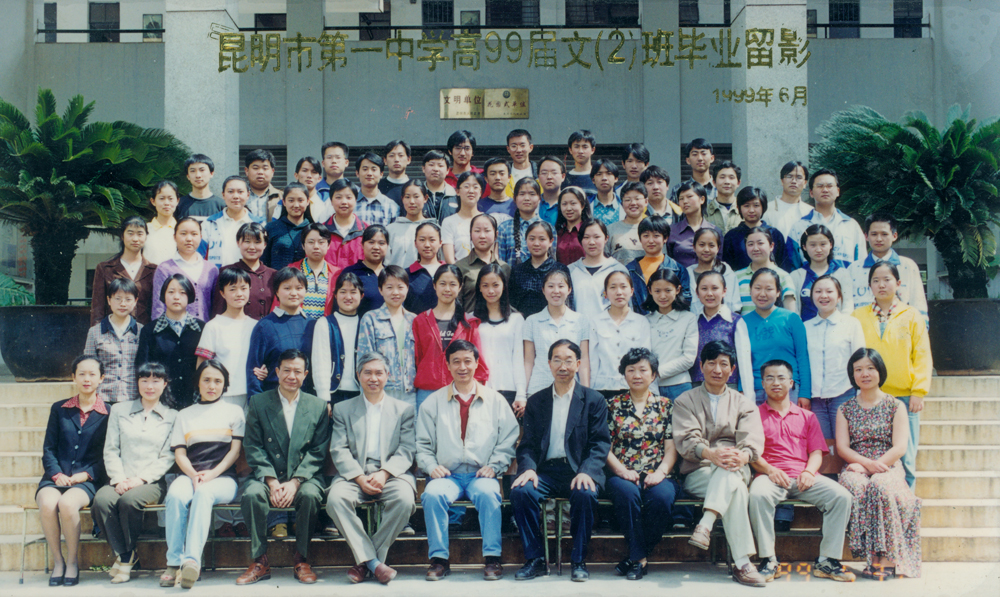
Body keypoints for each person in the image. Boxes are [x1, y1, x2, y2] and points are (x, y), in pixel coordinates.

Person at [417, 340, 520, 581]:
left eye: (467, 361)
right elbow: (421, 444)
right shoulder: (433, 402)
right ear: (447, 365)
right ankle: (439, 560)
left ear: (476, 363)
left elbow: (509, 438)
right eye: (456, 362)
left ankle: (492, 558)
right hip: (448, 475)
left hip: (480, 473)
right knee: (432, 495)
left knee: (488, 494)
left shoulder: (495, 400)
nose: (462, 367)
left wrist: (494, 465)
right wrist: (431, 466)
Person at [510, 339, 610, 582]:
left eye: (568, 360)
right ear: (549, 363)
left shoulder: (594, 400)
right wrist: (528, 469)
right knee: (521, 491)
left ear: (578, 364)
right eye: (557, 360)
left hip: (579, 469)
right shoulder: (537, 401)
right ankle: (535, 559)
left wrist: (587, 471)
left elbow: (600, 443)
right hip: (546, 470)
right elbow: (528, 444)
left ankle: (578, 561)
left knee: (585, 493)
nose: (562, 366)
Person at [748, 360, 856, 583]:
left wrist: (808, 472)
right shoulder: (754, 415)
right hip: (769, 476)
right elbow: (752, 454)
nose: (775, 383)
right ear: (762, 383)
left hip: (804, 477)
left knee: (841, 497)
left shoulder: (807, 416)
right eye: (769, 378)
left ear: (791, 383)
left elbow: (816, 452)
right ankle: (768, 560)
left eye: (781, 378)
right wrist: (770, 470)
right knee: (757, 495)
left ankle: (827, 561)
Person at [672, 340, 766, 587]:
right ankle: (743, 564)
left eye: (724, 364)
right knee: (736, 490)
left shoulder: (743, 403)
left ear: (732, 369)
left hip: (736, 466)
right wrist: (710, 454)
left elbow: (752, 441)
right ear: (701, 366)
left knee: (730, 474)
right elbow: (686, 440)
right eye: (711, 363)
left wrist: (743, 456)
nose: (717, 369)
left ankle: (705, 523)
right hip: (699, 471)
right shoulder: (685, 400)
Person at [237, 349, 330, 585]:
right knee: (252, 494)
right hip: (267, 475)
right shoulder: (258, 403)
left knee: (310, 495)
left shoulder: (318, 406)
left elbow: (318, 451)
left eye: (297, 371)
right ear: (277, 372)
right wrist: (271, 481)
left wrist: (295, 482)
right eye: (286, 370)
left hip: (304, 476)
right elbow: (253, 446)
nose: (291, 376)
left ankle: (302, 559)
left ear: (305, 375)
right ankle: (260, 560)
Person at [326, 352, 417, 585]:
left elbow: (407, 449)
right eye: (367, 373)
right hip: (354, 474)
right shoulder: (343, 409)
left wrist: (385, 473)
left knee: (405, 499)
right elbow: (339, 449)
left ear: (388, 375)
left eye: (379, 373)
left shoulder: (403, 410)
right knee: (336, 499)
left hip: (391, 474)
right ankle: (375, 564)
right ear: (358, 375)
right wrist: (358, 477)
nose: (373, 378)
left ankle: (366, 561)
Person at [837, 348, 922, 579]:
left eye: (870, 368)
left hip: (888, 465)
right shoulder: (845, 409)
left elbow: (899, 447)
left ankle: (886, 557)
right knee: (858, 486)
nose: (864, 374)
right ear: (852, 374)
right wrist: (865, 465)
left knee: (880, 486)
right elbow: (843, 448)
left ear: (880, 371)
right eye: (858, 369)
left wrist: (872, 467)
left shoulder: (896, 406)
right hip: (855, 466)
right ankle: (871, 556)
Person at [161, 360, 245, 589]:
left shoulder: (234, 412)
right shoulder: (184, 415)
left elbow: (235, 452)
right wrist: (194, 475)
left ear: (225, 384)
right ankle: (173, 563)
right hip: (190, 475)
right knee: (175, 495)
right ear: (197, 382)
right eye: (206, 380)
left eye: (218, 381)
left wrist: (210, 475)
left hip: (223, 478)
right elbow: (180, 454)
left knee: (203, 494)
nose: (212, 386)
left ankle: (191, 562)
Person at [93, 362, 177, 584]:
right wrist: (119, 479)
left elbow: (168, 457)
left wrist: (140, 479)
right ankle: (127, 554)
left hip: (151, 482)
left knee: (130, 501)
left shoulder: (173, 416)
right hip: (120, 478)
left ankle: (124, 559)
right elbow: (111, 449)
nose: (149, 386)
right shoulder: (119, 410)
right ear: (137, 382)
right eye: (144, 380)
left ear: (165, 384)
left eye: (156, 381)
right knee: (101, 500)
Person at [851, 262, 932, 488]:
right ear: (869, 285)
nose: (881, 285)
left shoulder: (912, 315)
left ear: (898, 283)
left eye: (887, 279)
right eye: (875, 280)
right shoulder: (858, 316)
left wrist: (918, 391)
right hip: (870, 397)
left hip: (904, 397)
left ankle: (907, 506)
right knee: (872, 456)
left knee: (906, 458)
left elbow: (922, 354)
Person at [605, 348, 682, 580]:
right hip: (622, 473)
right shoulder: (612, 405)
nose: (637, 375)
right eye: (631, 370)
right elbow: (604, 447)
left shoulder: (666, 406)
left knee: (662, 498)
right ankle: (640, 559)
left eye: (643, 370)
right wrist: (622, 471)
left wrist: (660, 472)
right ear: (624, 374)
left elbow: (671, 447)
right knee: (627, 494)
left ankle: (634, 557)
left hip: (658, 473)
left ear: (654, 375)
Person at [36, 356, 111, 587]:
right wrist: (56, 474)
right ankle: (58, 562)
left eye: (92, 374)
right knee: (48, 503)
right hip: (56, 477)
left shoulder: (109, 412)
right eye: (81, 374)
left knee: (68, 504)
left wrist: (86, 474)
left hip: (87, 479)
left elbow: (108, 454)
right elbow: (49, 448)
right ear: (73, 377)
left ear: (101, 378)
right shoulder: (59, 409)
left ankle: (71, 562)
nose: (87, 379)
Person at [413, 265, 488, 410]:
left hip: (460, 390)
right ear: (434, 285)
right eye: (442, 283)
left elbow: (478, 361)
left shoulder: (468, 322)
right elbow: (417, 358)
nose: (447, 289)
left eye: (452, 284)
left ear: (460, 287)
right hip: (427, 391)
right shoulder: (421, 321)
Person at [805, 275, 866, 444]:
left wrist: (860, 393)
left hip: (844, 394)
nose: (823, 296)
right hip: (815, 399)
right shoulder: (805, 327)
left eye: (829, 291)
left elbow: (860, 361)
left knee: (846, 444)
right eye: (818, 291)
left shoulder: (851, 324)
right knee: (823, 447)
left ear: (839, 296)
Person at [743, 269, 812, 405]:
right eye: (757, 288)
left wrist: (805, 393)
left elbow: (803, 357)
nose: (762, 294)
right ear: (750, 290)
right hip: (755, 391)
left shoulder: (792, 319)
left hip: (788, 390)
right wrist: (741, 389)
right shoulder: (743, 323)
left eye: (769, 289)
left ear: (778, 292)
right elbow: (742, 361)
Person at [136, 274, 204, 409]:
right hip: (160, 401)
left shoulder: (201, 329)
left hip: (194, 400)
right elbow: (142, 366)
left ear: (190, 296)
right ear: (163, 295)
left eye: (182, 292)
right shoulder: (149, 330)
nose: (176, 297)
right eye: (171, 292)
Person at [522, 269, 590, 401]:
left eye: (561, 286)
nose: (556, 291)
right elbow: (528, 361)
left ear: (569, 290)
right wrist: (522, 394)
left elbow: (584, 359)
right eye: (551, 286)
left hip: (571, 391)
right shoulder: (532, 321)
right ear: (543, 290)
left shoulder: (581, 320)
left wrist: (586, 393)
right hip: (538, 388)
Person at [195, 267, 258, 411]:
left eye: (243, 288)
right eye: (232, 289)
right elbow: (202, 364)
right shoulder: (213, 326)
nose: (239, 294)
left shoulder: (256, 326)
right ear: (222, 293)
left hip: (251, 394)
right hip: (222, 395)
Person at [847, 213, 928, 322]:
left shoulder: (908, 266)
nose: (879, 239)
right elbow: (847, 307)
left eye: (884, 234)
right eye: (874, 234)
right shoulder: (854, 269)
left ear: (894, 236)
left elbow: (919, 304)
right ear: (866, 236)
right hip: (863, 329)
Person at [246, 268, 311, 397]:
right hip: (273, 399)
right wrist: (256, 404)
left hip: (307, 400)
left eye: (299, 288)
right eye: (287, 288)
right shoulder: (265, 326)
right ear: (276, 291)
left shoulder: (313, 324)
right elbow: (254, 370)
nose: (293, 293)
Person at [357, 266, 418, 406]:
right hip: (381, 391)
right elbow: (363, 359)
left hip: (410, 392)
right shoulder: (371, 319)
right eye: (389, 287)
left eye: (400, 287)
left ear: (407, 288)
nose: (395, 292)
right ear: (380, 290)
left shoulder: (414, 320)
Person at [784, 168, 866, 271]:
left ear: (838, 191)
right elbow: (792, 268)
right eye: (820, 186)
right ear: (811, 192)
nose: (825, 190)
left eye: (829, 186)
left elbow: (862, 266)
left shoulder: (851, 226)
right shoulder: (799, 227)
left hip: (844, 281)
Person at [690, 271, 754, 400]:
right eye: (704, 289)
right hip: (697, 386)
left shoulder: (734, 321)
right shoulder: (692, 321)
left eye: (715, 288)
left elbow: (744, 362)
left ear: (724, 291)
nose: (709, 293)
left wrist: (748, 396)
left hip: (728, 386)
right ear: (697, 293)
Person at [589, 271, 652, 398]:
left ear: (631, 291)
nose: (619, 292)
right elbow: (593, 359)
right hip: (603, 388)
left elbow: (646, 359)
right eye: (613, 287)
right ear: (605, 293)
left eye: (623, 287)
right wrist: (591, 391)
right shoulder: (596, 322)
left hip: (633, 388)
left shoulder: (641, 322)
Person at [473, 264, 527, 406]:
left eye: (495, 285)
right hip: (479, 389)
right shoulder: (472, 320)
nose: (491, 291)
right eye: (485, 285)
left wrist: (521, 394)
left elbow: (518, 359)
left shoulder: (516, 320)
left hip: (509, 389)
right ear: (479, 287)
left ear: (504, 286)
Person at [84, 278, 143, 403]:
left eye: (128, 299)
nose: (123, 304)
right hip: (102, 399)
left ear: (135, 301)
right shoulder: (95, 332)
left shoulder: (142, 332)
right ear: (109, 300)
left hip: (133, 399)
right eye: (118, 298)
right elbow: (88, 367)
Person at [91, 216, 156, 326]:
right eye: (130, 233)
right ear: (122, 235)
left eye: (140, 234)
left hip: (144, 331)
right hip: (113, 332)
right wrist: (97, 333)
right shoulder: (105, 268)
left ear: (146, 237)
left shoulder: (153, 270)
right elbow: (97, 309)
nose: (135, 239)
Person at [151, 217, 219, 322]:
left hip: (205, 329)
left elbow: (216, 305)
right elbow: (158, 307)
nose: (189, 239)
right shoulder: (165, 268)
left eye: (194, 234)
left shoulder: (211, 269)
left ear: (201, 237)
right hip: (173, 330)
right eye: (183, 233)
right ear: (174, 237)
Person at [645, 269, 699, 400]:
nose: (663, 296)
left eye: (668, 290)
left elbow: (689, 358)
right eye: (657, 291)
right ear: (650, 291)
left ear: (678, 289)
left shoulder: (688, 318)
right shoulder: (645, 320)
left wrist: (657, 372)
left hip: (680, 385)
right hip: (649, 386)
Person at [311, 271, 362, 404]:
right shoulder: (324, 323)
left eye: (353, 292)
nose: (348, 297)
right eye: (343, 292)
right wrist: (324, 399)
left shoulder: (366, 323)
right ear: (335, 295)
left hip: (361, 394)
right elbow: (320, 362)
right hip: (333, 394)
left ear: (361, 295)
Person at [626, 215, 692, 312]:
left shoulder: (678, 269)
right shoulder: (630, 269)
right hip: (638, 320)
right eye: (646, 236)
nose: (651, 240)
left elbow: (685, 300)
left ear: (665, 238)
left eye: (656, 236)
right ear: (640, 239)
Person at [790, 223, 855, 321]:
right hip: (806, 329)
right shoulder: (796, 276)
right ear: (804, 246)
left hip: (837, 328)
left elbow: (847, 307)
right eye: (813, 245)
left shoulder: (842, 274)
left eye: (823, 244)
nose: (818, 249)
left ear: (831, 245)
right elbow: (794, 311)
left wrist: (842, 326)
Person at [211, 222, 276, 320]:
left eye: (257, 242)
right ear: (238, 243)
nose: (252, 247)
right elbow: (218, 310)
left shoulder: (273, 275)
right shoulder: (226, 271)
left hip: (265, 328)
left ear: (265, 244)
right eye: (247, 241)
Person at [509, 221, 574, 317]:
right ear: (526, 240)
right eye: (532, 239)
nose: (536, 243)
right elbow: (511, 305)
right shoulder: (517, 271)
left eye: (542, 239)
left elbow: (569, 303)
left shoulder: (560, 269)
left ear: (551, 242)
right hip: (523, 323)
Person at [568, 220, 628, 320]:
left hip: (609, 328)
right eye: (586, 237)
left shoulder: (618, 270)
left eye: (596, 237)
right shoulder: (571, 270)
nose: (591, 242)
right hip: (578, 329)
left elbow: (626, 307)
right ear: (580, 240)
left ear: (606, 238)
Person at [203, 176, 264, 269]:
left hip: (248, 276)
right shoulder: (209, 223)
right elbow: (199, 255)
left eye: (240, 192)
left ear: (248, 195)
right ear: (223, 194)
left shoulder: (259, 224)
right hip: (217, 276)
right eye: (230, 191)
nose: (235, 196)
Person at [722, 186, 787, 270]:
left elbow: (784, 266)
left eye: (756, 205)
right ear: (738, 208)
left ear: (763, 207)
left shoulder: (775, 234)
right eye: (746, 206)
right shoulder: (731, 236)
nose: (751, 210)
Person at [734, 227, 796, 314]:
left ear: (771, 246)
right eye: (750, 244)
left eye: (760, 243)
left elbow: (790, 314)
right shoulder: (736, 277)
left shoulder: (783, 276)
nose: (755, 248)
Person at [286, 223, 341, 319]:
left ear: (328, 245)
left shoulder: (337, 274)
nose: (316, 246)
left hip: (324, 327)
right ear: (303, 245)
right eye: (311, 242)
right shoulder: (291, 270)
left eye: (321, 242)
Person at [454, 214, 506, 306]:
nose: (482, 236)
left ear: (496, 234)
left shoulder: (504, 267)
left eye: (487, 231)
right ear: (470, 234)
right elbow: (456, 304)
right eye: (477, 231)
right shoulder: (459, 267)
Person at [687, 227, 740, 315]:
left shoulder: (726, 272)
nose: (706, 249)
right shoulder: (687, 274)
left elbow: (735, 305)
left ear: (718, 248)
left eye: (711, 245)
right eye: (702, 245)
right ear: (694, 247)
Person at [668, 181, 720, 269]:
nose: (685, 201)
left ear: (702, 199)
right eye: (681, 198)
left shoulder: (715, 230)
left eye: (689, 197)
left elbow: (719, 262)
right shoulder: (672, 231)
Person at [341, 225, 390, 317]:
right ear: (362, 245)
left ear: (387, 246)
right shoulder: (351, 273)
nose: (376, 247)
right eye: (371, 242)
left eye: (381, 243)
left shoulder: (391, 274)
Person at [263, 183, 312, 271]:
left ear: (308, 201)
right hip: (276, 278)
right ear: (284, 202)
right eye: (291, 200)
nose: (296, 205)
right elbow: (264, 261)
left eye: (300, 200)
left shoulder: (313, 229)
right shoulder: (271, 228)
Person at [387, 180, 433, 268]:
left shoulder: (433, 229)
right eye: (407, 197)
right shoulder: (390, 229)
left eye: (416, 197)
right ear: (402, 199)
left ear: (425, 198)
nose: (412, 201)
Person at [324, 178, 368, 271]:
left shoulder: (366, 231)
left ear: (356, 200)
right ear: (331, 201)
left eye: (348, 197)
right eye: (338, 197)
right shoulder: (321, 231)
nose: (344, 202)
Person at [441, 171, 485, 263]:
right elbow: (449, 259)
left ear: (480, 192)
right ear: (457, 191)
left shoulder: (488, 220)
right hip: (458, 270)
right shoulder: (449, 222)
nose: (471, 191)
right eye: (466, 186)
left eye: (475, 187)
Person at [272, 157, 332, 224]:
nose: (309, 176)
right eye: (304, 171)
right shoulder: (284, 203)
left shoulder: (326, 202)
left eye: (314, 172)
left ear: (319, 178)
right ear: (296, 175)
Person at [497, 178, 542, 265]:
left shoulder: (548, 228)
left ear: (539, 198)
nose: (527, 198)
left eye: (532, 194)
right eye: (522, 194)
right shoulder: (504, 228)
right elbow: (501, 264)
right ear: (514, 198)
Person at [403, 221, 444, 314]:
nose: (427, 245)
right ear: (415, 243)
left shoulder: (449, 272)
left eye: (432, 240)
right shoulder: (406, 274)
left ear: (440, 243)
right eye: (422, 240)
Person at [762, 161, 811, 236]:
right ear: (782, 181)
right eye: (789, 176)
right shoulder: (766, 209)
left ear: (805, 183)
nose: (794, 181)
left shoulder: (810, 212)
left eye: (799, 177)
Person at [354, 152, 399, 227]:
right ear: (357, 173)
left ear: (381, 174)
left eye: (374, 169)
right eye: (365, 169)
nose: (369, 173)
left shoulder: (391, 207)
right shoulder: (350, 204)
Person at [608, 182, 648, 263]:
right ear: (622, 204)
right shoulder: (610, 230)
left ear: (646, 201)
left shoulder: (654, 228)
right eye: (627, 200)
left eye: (637, 199)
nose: (633, 203)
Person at [175, 154, 224, 220]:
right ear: (188, 176)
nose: (198, 175)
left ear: (211, 173)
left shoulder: (222, 206)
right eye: (192, 171)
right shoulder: (178, 205)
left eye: (202, 170)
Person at [145, 180, 181, 266]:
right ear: (153, 201)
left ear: (177, 201)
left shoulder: (182, 230)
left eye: (170, 199)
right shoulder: (144, 230)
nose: (166, 203)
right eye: (161, 198)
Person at [555, 186, 591, 264]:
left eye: (573, 203)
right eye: (564, 204)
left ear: (582, 205)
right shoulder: (557, 233)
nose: (568, 208)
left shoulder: (590, 231)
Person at [704, 161, 742, 234]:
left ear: (738, 183)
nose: (727, 182)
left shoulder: (744, 210)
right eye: (722, 177)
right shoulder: (705, 212)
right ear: (714, 182)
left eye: (731, 177)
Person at [243, 148, 281, 222]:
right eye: (255, 168)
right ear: (246, 171)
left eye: (265, 168)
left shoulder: (282, 197)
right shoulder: (239, 196)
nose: (260, 172)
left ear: (272, 172)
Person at [421, 150, 459, 221]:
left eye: (440, 165)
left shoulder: (456, 195)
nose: (435, 169)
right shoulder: (417, 194)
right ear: (423, 168)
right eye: (431, 165)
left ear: (447, 170)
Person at [587, 159, 624, 227]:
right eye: (599, 174)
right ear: (593, 180)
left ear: (616, 179)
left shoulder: (624, 205)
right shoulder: (586, 205)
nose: (604, 178)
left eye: (608, 173)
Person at [563, 129, 599, 195]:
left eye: (585, 147)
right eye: (576, 147)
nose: (580, 151)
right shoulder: (564, 179)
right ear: (570, 150)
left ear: (592, 150)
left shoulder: (600, 177)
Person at [537, 156, 568, 225]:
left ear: (563, 177)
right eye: (544, 173)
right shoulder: (534, 203)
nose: (549, 177)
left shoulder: (569, 204)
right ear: (538, 177)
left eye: (554, 173)